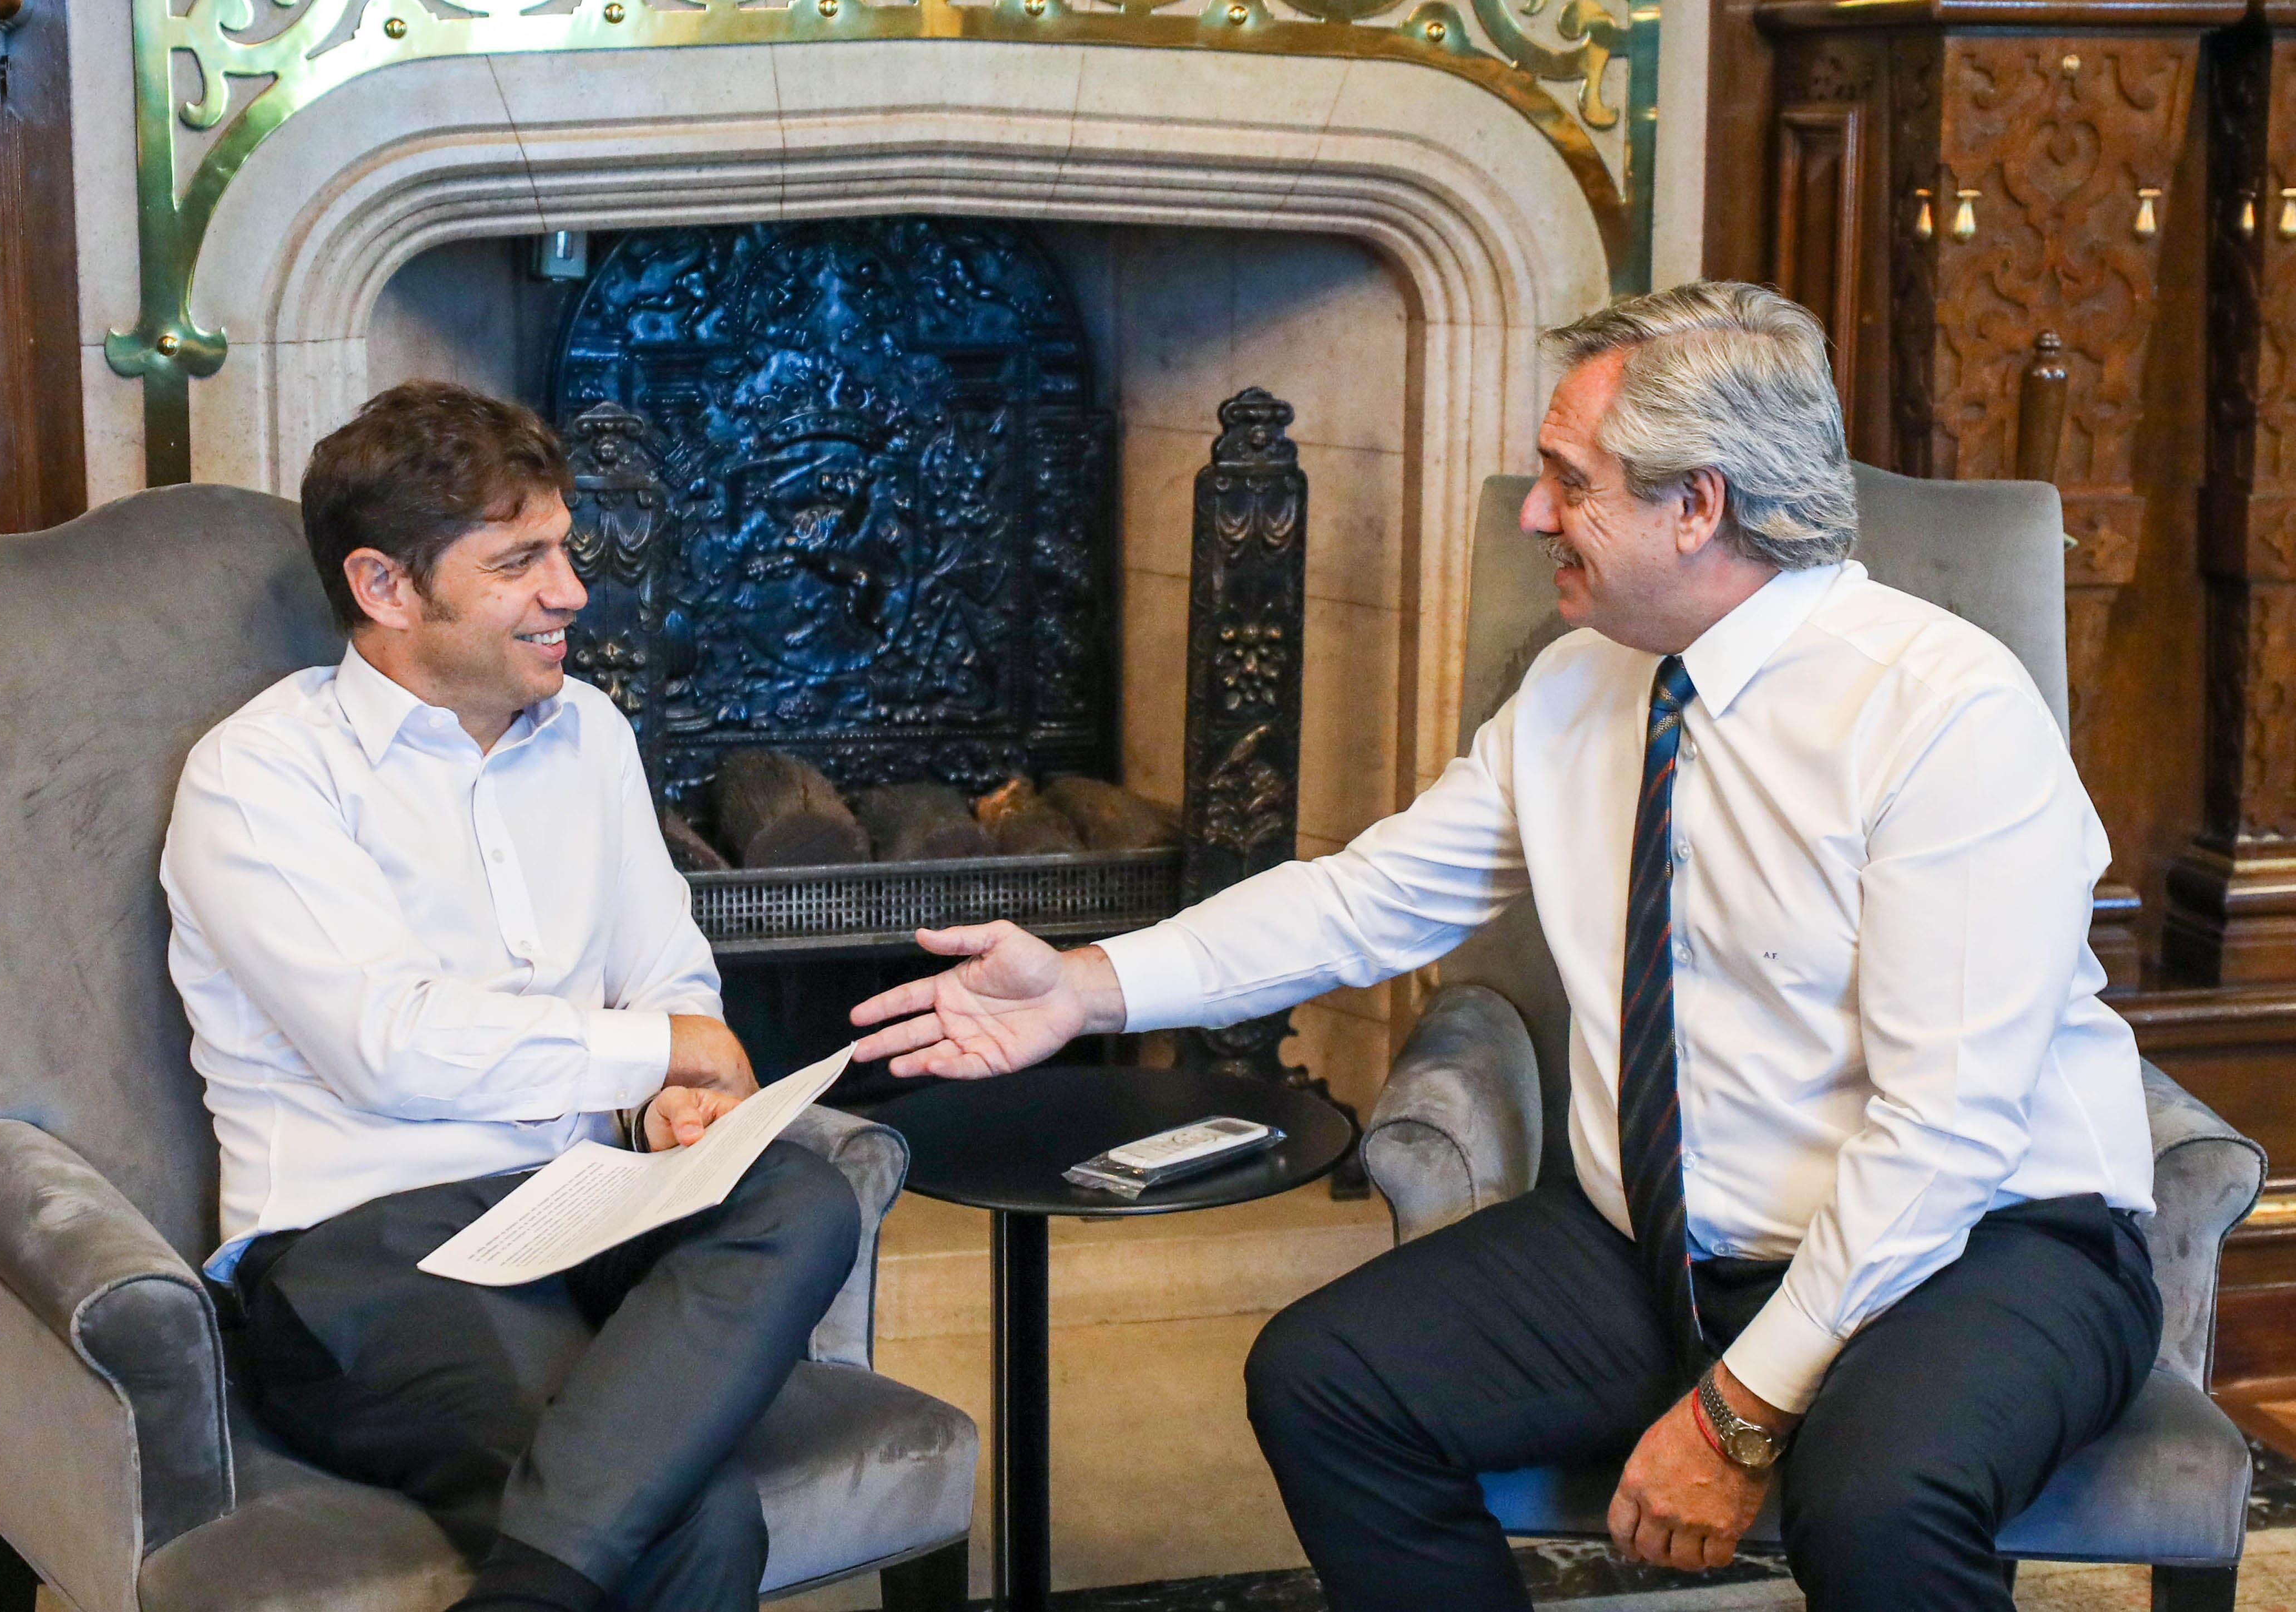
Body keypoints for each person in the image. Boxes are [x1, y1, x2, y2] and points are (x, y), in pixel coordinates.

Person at [848, 282, 2158, 1612]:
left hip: (1982, 1245)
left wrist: (1736, 1416)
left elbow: (1946, 1130)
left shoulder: (1940, 712)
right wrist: (1084, 985)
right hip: (1661, 1243)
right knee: (1331, 1381)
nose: (1532, 514)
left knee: (1880, 1503)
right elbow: (1369, 900)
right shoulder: (1582, 679)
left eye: (1566, 479)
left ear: (1695, 503)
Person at [161, 381, 860, 1612]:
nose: (572, 592)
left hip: (580, 1206)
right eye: (519, 560)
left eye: (565, 550)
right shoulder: (262, 775)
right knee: (686, 1517)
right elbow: (390, 1046)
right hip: (365, 1248)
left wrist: (669, 1106)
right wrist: (655, 1051)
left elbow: (666, 968)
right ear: (385, 588)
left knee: (796, 1188)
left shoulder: (589, 730)